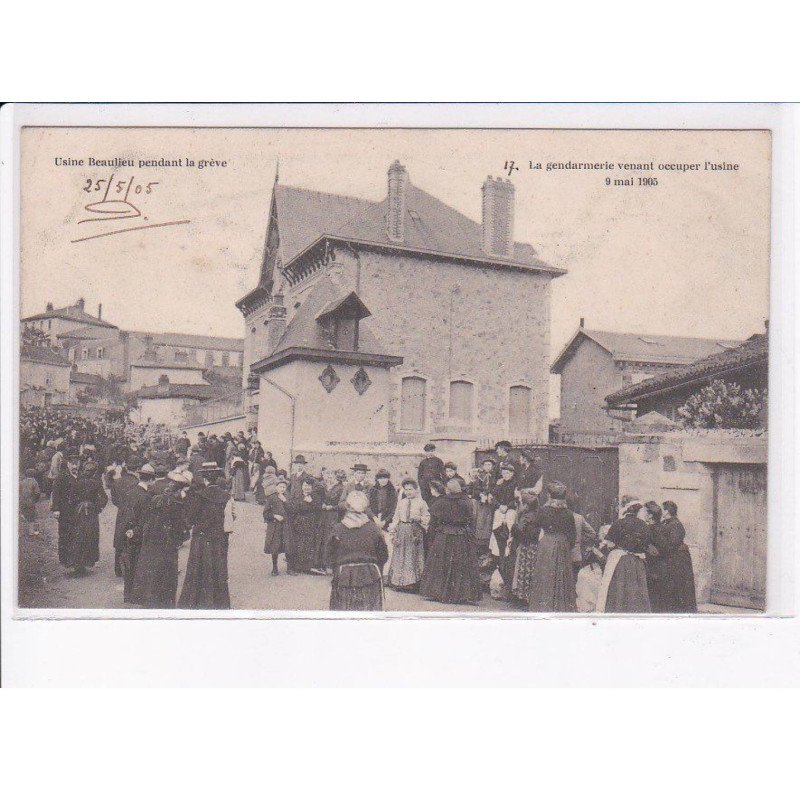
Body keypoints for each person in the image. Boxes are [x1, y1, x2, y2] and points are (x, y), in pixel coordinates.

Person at [132, 472, 189, 608]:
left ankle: (148, 600)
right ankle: (164, 603)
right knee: (166, 574)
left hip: (151, 542)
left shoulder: (155, 499)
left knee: (150, 571)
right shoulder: (176, 505)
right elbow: (181, 531)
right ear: (179, 490)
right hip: (167, 545)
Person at [420, 479, 481, 605]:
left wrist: (432, 536)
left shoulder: (441, 502)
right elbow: (470, 519)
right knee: (460, 564)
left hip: (444, 536)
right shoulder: (466, 502)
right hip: (461, 536)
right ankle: (460, 594)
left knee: (442, 562)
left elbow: (434, 521)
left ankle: (439, 592)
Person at [179, 473, 233, 609]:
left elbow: (190, 519)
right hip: (218, 537)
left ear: (205, 480)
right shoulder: (225, 496)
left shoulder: (200, 495)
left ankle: (197, 601)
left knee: (199, 568)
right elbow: (231, 516)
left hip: (202, 538)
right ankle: (219, 603)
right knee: (217, 568)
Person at [328, 491, 389, 611]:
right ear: (365, 508)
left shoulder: (338, 529)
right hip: (371, 576)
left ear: (348, 507)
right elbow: (383, 555)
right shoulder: (373, 528)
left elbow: (329, 556)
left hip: (344, 576)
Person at [524, 481, 577, 612]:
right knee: (561, 576)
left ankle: (543, 606)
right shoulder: (569, 514)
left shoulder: (543, 511)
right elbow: (572, 536)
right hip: (563, 544)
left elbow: (534, 528)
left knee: (545, 575)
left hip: (546, 544)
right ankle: (561, 607)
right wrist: (565, 546)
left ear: (549, 496)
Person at [596, 500, 652, 613]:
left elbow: (610, 544)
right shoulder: (644, 525)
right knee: (636, 589)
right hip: (637, 561)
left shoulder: (619, 523)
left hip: (620, 561)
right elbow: (647, 545)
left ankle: (617, 610)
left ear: (627, 511)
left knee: (619, 588)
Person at [116, 463, 156, 603]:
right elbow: (144, 519)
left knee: (129, 565)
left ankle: (128, 595)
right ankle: (136, 596)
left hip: (127, 533)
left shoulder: (131, 492)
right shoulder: (146, 496)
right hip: (138, 534)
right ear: (151, 480)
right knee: (138, 564)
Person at [650, 501, 697, 612]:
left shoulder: (676, 524)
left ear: (667, 511)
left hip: (679, 560)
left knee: (679, 586)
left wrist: (660, 550)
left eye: (663, 510)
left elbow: (673, 543)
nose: (662, 512)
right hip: (672, 559)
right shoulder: (667, 523)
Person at [386, 478, 429, 591]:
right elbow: (396, 518)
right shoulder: (402, 503)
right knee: (400, 556)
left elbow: (427, 518)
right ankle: (398, 582)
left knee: (412, 556)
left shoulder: (421, 503)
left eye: (411, 489)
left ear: (416, 490)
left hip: (414, 531)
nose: (408, 492)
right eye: (406, 489)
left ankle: (412, 583)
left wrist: (419, 518)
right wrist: (393, 531)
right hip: (401, 530)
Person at [68, 461, 108, 576]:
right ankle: (86, 561)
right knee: (91, 536)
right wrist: (98, 508)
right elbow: (104, 498)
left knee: (78, 536)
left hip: (79, 513)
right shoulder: (96, 483)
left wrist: (75, 507)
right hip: (91, 513)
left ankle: (77, 564)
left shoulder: (77, 483)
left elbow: (70, 499)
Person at [109, 460, 140, 578]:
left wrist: (121, 506)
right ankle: (132, 567)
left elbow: (114, 500)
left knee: (119, 538)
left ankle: (118, 569)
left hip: (121, 512)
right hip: (133, 512)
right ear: (136, 469)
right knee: (132, 537)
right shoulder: (137, 482)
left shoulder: (117, 482)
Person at [490, 462, 518, 587]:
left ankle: (507, 551)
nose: (506, 475)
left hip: (510, 511)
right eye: (504, 472)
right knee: (497, 531)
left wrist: (508, 506)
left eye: (508, 473)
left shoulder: (516, 485)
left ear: (512, 474)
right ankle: (498, 553)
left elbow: (517, 500)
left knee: (509, 530)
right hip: (500, 511)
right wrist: (499, 505)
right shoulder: (499, 484)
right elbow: (493, 496)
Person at [288, 478, 324, 574]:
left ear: (311, 487)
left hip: (310, 523)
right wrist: (303, 503)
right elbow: (292, 508)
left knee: (308, 544)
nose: (306, 488)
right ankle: (296, 566)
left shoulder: (315, 497)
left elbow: (319, 509)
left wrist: (311, 502)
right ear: (301, 487)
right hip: (298, 523)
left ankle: (306, 567)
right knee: (298, 543)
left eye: (308, 486)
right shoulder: (298, 496)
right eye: (304, 486)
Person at [51, 451, 80, 567]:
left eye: (76, 463)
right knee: (64, 534)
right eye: (72, 463)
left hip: (77, 510)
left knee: (76, 534)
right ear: (67, 464)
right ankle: (64, 559)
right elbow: (56, 493)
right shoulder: (61, 477)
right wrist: (56, 509)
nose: (74, 466)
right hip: (65, 511)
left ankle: (75, 560)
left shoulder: (81, 475)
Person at [511, 488, 539, 604]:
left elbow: (520, 531)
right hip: (533, 547)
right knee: (530, 571)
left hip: (525, 546)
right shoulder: (537, 514)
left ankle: (522, 597)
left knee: (523, 571)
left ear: (526, 505)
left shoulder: (526, 516)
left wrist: (514, 528)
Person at [263, 477, 290, 576]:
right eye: (280, 487)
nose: (282, 489)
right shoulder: (271, 498)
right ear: (276, 487)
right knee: (275, 547)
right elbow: (265, 513)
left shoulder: (287, 497)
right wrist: (274, 516)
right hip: (275, 526)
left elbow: (292, 509)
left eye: (284, 487)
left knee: (287, 545)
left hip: (286, 525)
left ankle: (289, 568)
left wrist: (285, 501)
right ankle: (275, 568)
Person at [321, 470, 347, 570]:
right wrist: (323, 504)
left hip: (334, 515)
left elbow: (341, 504)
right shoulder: (329, 486)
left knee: (331, 538)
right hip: (326, 515)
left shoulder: (341, 488)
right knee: (325, 537)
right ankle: (324, 563)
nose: (329, 478)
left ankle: (331, 564)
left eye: (332, 476)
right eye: (329, 475)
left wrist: (331, 507)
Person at [19, 468, 41, 534]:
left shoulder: (22, 482)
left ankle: (21, 531)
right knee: (33, 517)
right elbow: (37, 493)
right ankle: (31, 532)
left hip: (23, 501)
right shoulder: (34, 482)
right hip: (31, 501)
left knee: (24, 514)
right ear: (34, 475)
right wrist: (35, 500)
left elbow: (19, 491)